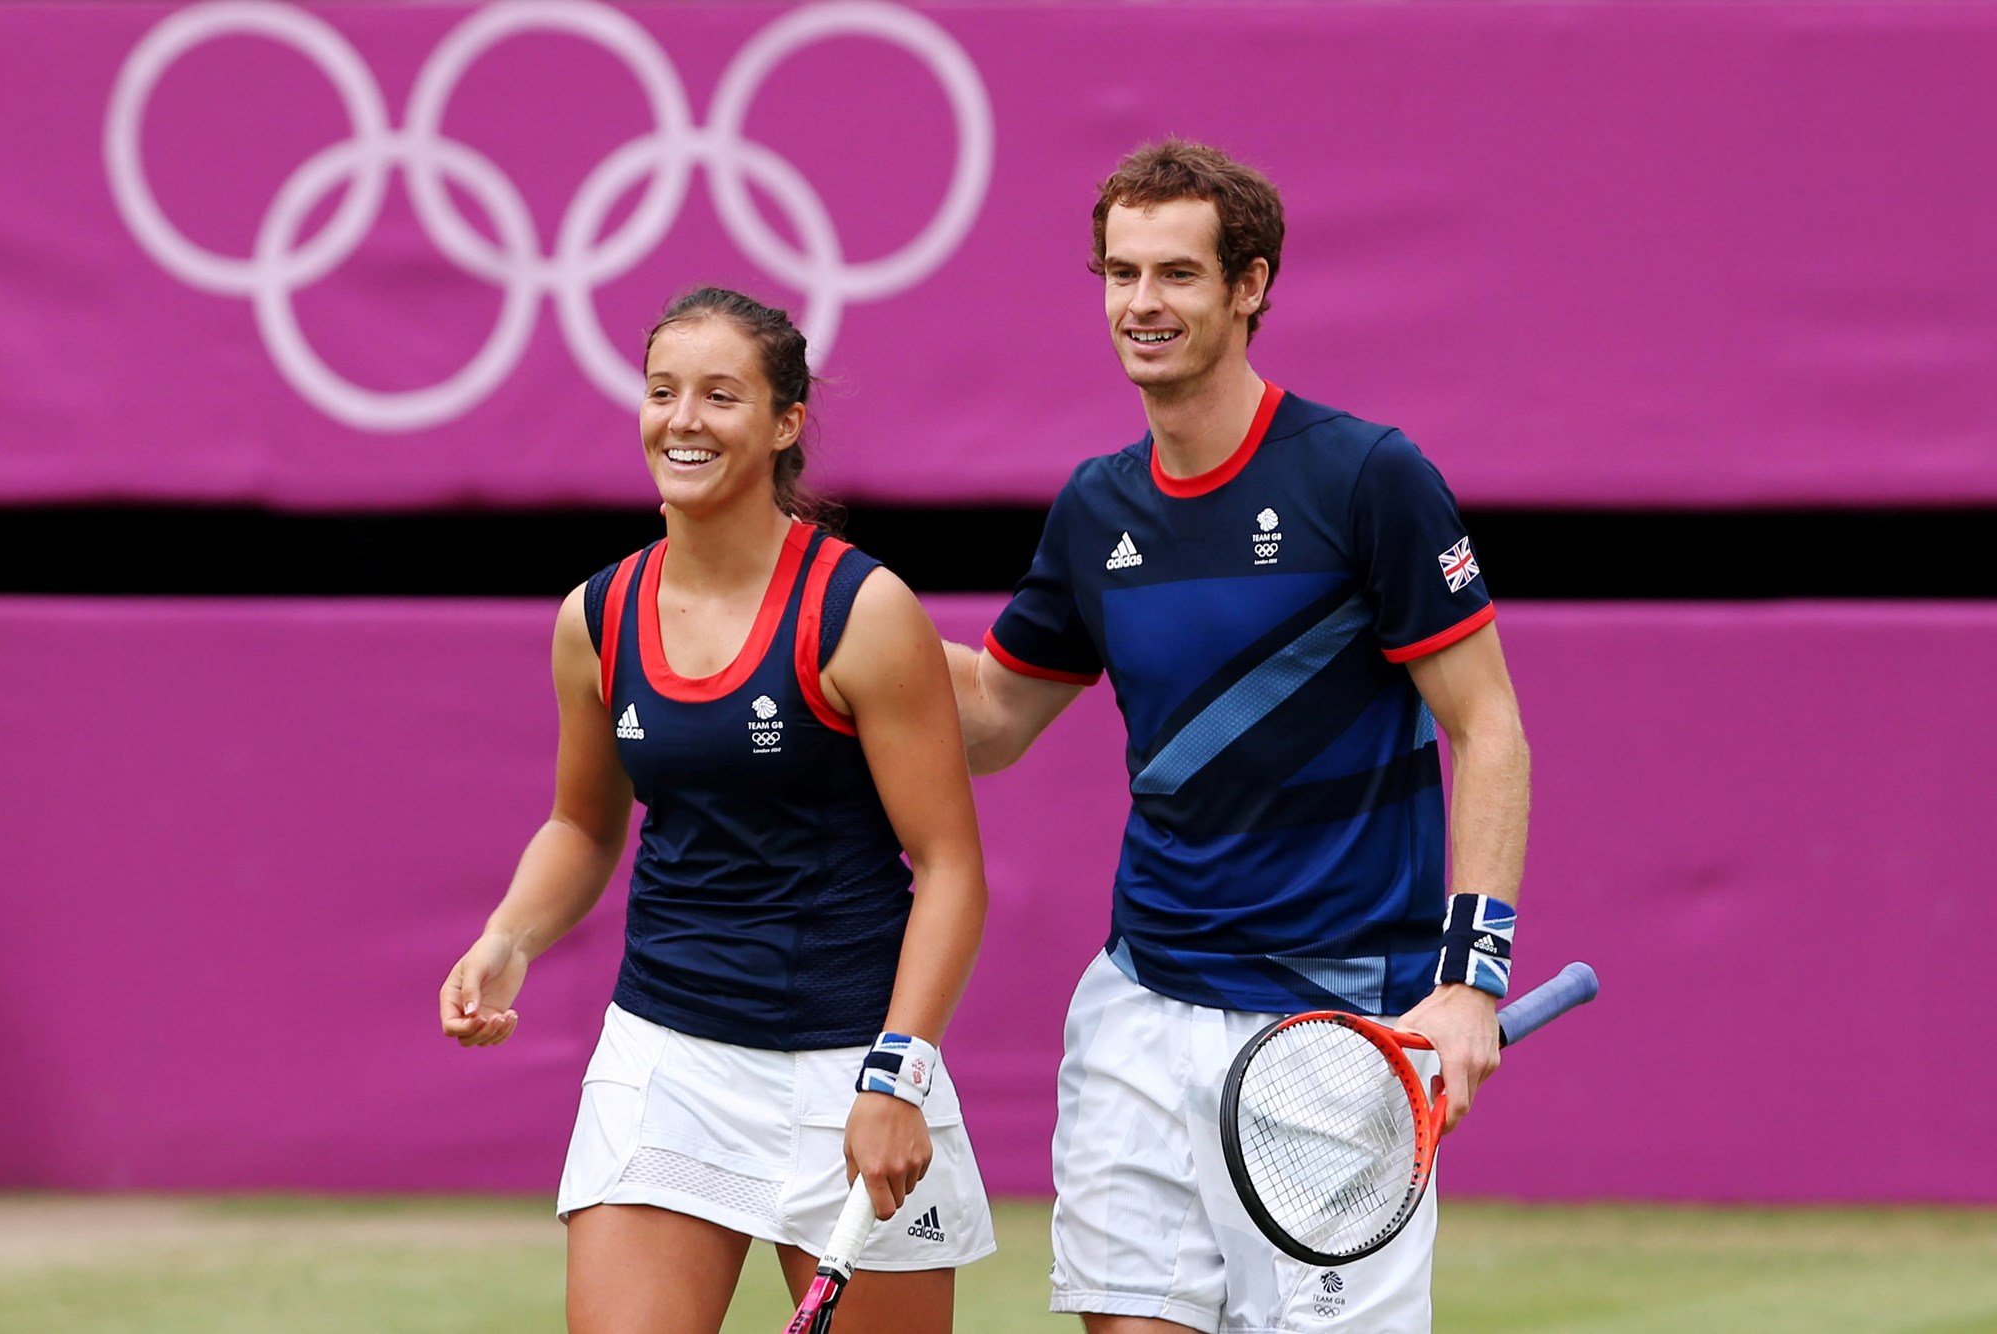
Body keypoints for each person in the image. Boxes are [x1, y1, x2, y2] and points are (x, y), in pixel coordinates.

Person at [944, 140, 1531, 1333]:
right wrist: (832, 618)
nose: (1140, 304)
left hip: (1332, 1026)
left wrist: (1470, 981)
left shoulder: (1365, 477)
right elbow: (992, 719)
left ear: (1248, 286)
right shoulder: (1094, 506)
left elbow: (1489, 726)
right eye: (1118, 274)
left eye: (1175, 274)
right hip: (1140, 1009)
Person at [439, 287, 995, 1334]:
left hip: (852, 1066)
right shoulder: (595, 616)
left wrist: (894, 1074)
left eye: (719, 395)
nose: (681, 419)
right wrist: (508, 936)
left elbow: (950, 865)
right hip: (668, 1057)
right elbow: (583, 825)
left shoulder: (862, 610)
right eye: (661, 391)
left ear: (784, 422)